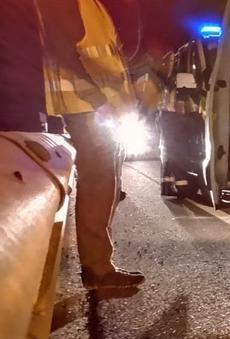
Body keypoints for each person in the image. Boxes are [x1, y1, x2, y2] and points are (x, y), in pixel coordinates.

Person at [38, 0, 144, 289]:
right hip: (84, 102)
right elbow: (62, 51)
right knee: (98, 179)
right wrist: (99, 102)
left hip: (96, 103)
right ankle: (97, 268)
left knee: (106, 178)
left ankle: (100, 264)